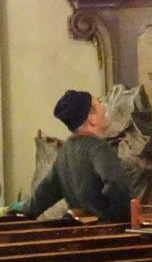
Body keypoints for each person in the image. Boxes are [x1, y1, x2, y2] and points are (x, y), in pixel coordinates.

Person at [21, 90, 131, 222]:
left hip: (81, 231)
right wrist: (122, 219)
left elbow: (44, 193)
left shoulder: (66, 150)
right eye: (99, 103)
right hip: (106, 231)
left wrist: (20, 214)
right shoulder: (99, 148)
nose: (104, 107)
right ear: (92, 118)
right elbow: (116, 183)